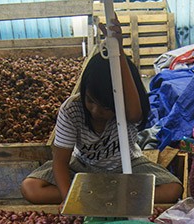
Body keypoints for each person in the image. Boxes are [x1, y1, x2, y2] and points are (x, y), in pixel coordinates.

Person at [21, 20, 183, 206]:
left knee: (172, 188)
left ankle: (98, 195)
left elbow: (136, 114)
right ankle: (113, 197)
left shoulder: (127, 108)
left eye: (106, 107)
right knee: (31, 188)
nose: (96, 111)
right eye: (90, 101)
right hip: (83, 166)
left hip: (127, 165)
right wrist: (69, 200)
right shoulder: (71, 110)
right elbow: (60, 161)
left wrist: (118, 51)